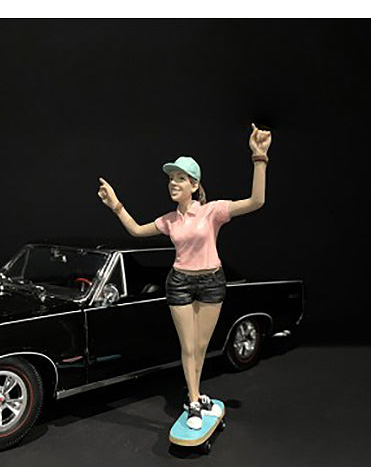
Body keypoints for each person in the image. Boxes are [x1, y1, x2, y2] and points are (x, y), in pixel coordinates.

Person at [97, 122, 271, 429]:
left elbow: (256, 202)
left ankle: (198, 392)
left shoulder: (212, 211)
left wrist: (259, 158)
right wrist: (116, 205)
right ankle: (193, 401)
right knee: (188, 347)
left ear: (194, 184)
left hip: (212, 282)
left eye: (180, 178)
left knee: (201, 347)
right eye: (170, 179)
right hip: (180, 283)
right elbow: (136, 230)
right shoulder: (169, 220)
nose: (173, 184)